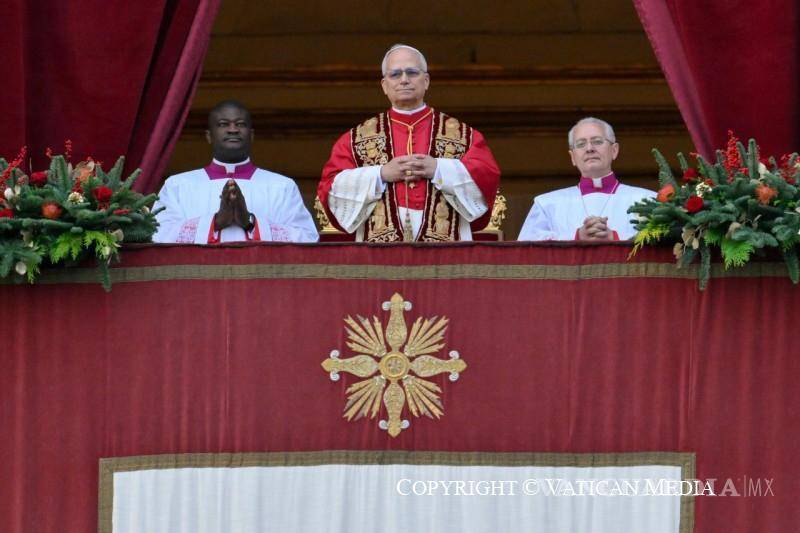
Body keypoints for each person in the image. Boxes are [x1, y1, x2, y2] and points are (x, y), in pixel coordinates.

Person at [318, 44, 500, 242]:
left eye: (412, 72)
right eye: (395, 74)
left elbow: (487, 176)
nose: (404, 80)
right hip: (379, 253)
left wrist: (439, 169)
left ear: (426, 81)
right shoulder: (355, 139)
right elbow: (330, 188)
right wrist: (380, 174)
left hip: (446, 250)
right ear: (384, 85)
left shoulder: (463, 135)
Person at [153, 100, 318, 244]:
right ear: (209, 136)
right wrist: (215, 222)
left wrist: (250, 222)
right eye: (224, 124)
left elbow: (307, 238)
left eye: (240, 124)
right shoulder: (177, 186)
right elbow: (157, 235)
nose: (233, 129)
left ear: (251, 135)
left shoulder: (282, 187)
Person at [518, 117, 655, 241]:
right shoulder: (546, 204)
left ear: (614, 150)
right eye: (581, 144)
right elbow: (526, 249)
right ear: (572, 157)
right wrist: (576, 236)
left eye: (597, 141)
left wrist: (615, 237)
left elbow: (664, 244)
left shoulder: (648, 200)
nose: (589, 148)